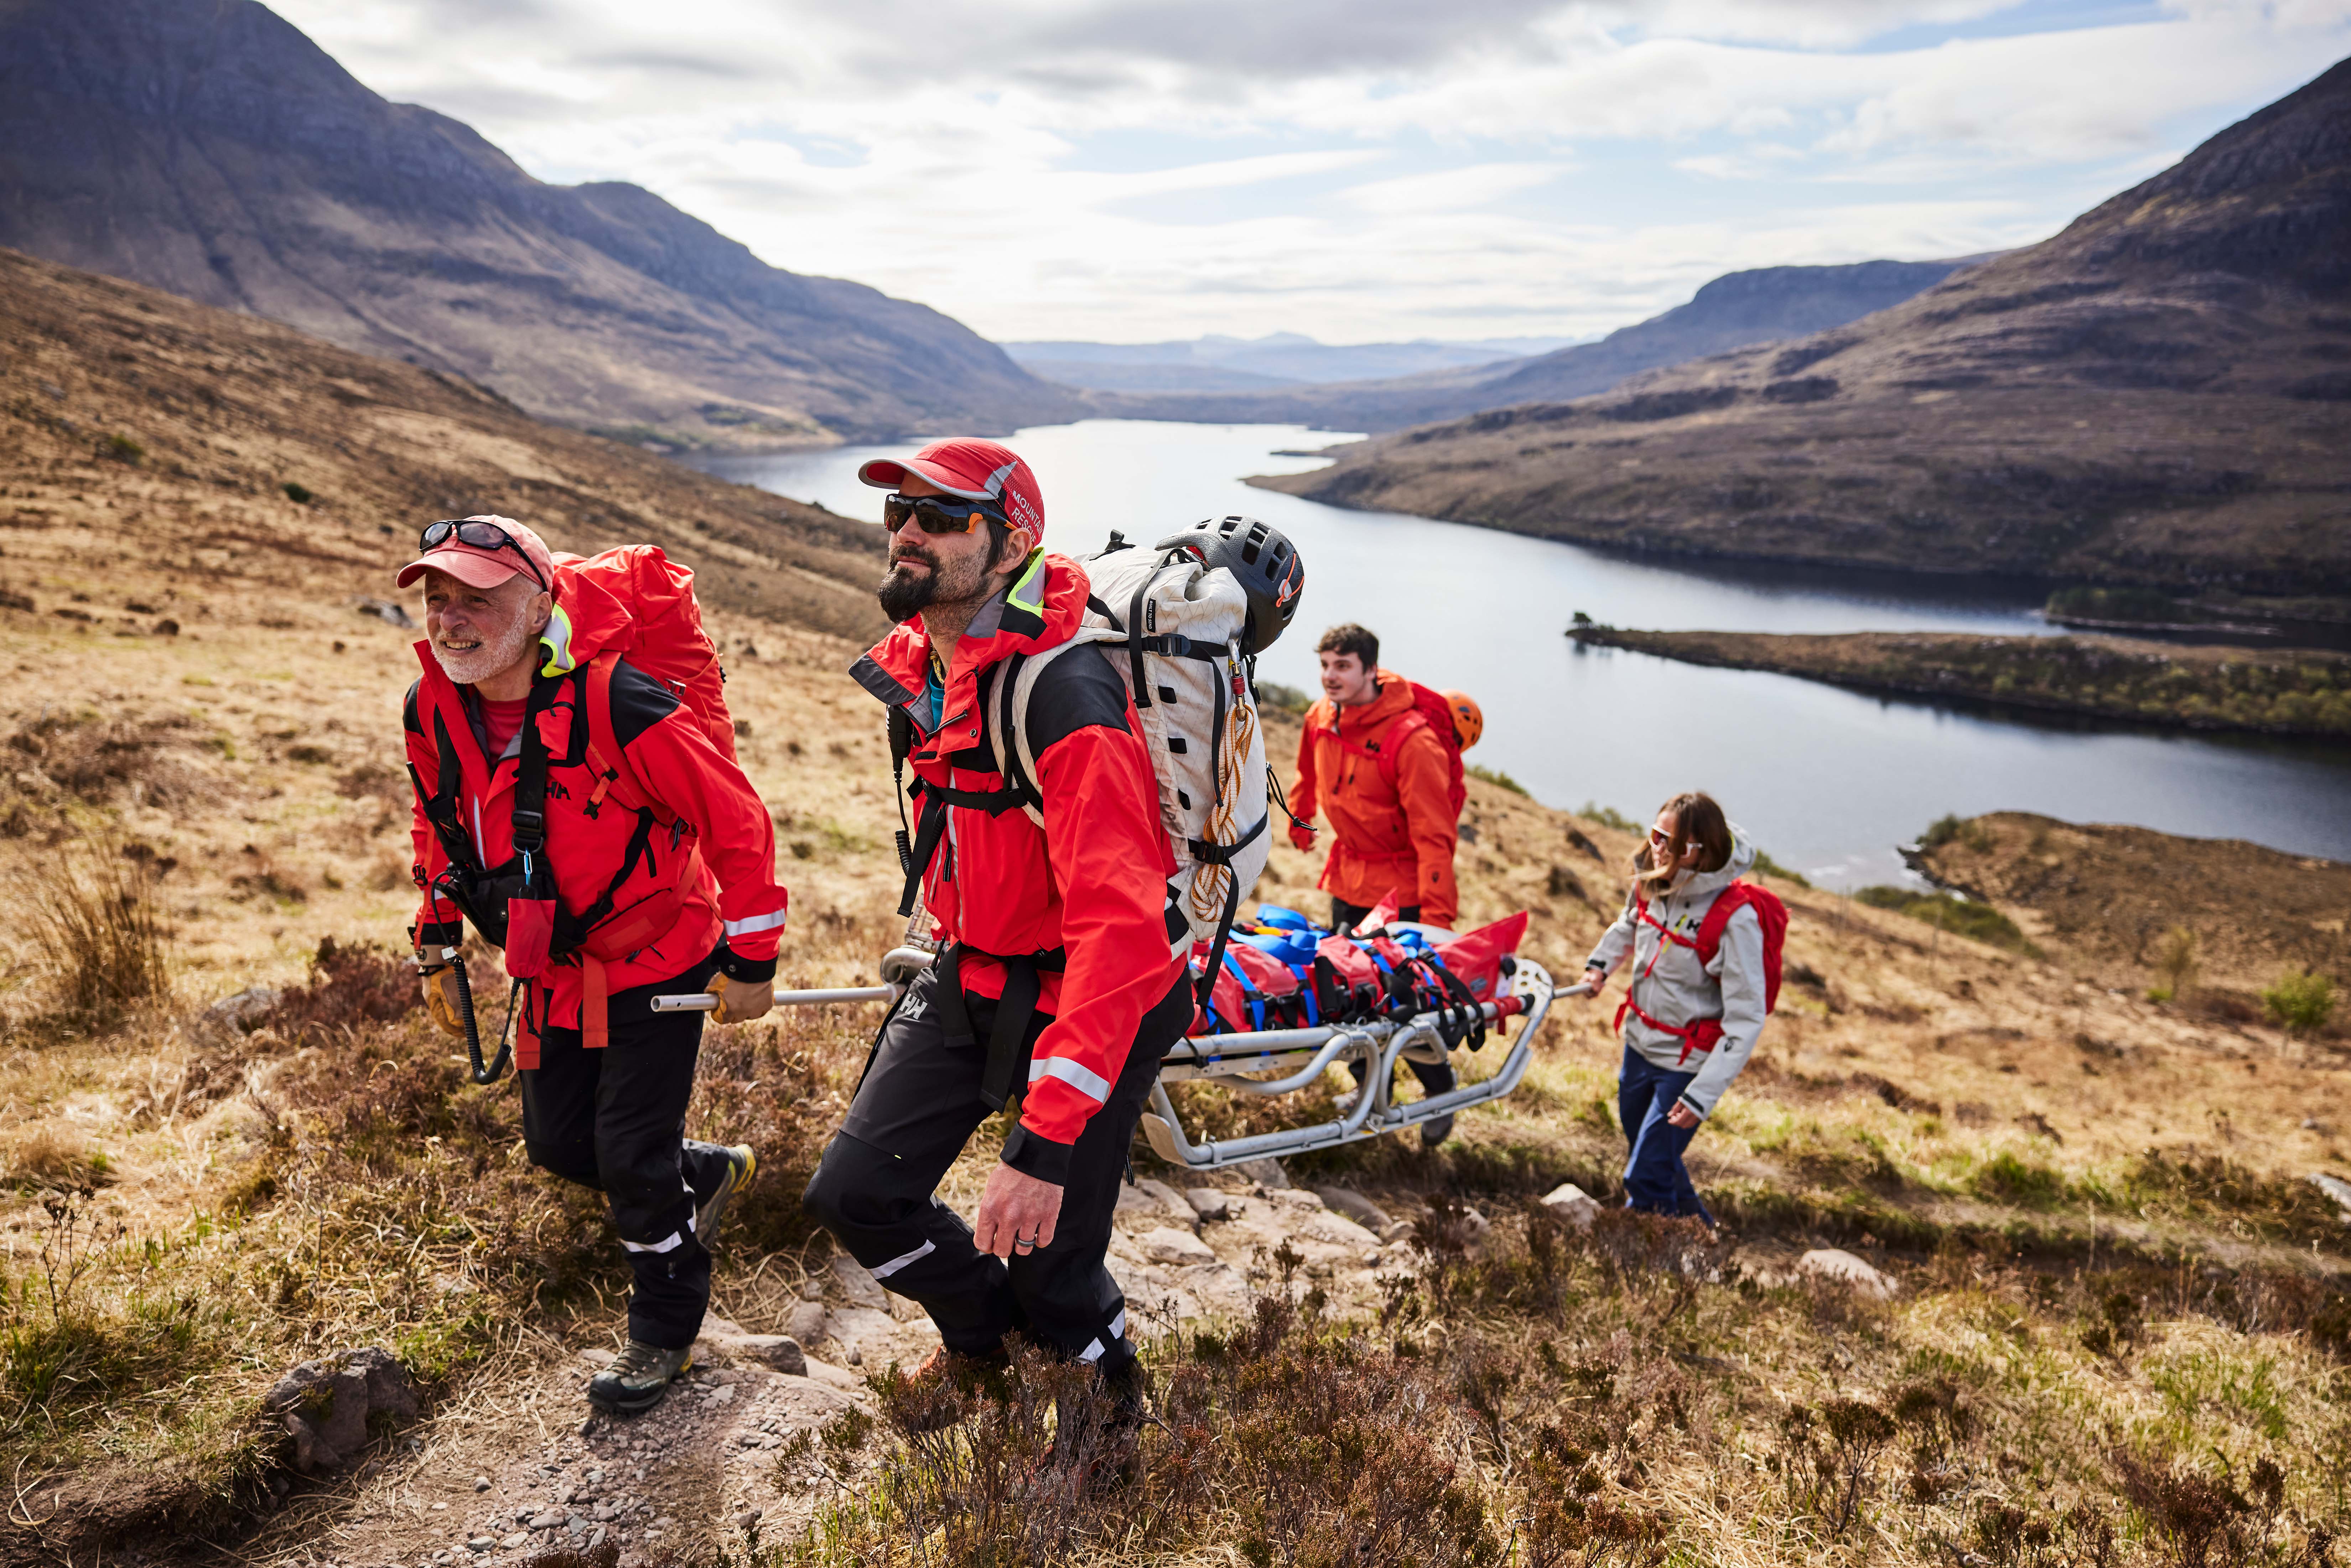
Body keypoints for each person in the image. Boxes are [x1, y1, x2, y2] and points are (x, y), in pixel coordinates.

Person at [802, 439, 1190, 1411]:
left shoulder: (1066, 697)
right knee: (855, 1196)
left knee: (1053, 1257)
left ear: (1011, 539)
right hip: (972, 968)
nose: (908, 534)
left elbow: (1122, 930)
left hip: (1101, 994)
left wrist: (1045, 1142)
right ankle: (988, 1345)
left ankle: (1108, 1435)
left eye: (941, 517)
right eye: (900, 515)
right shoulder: (923, 673)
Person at [399, 516, 788, 1413]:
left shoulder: (619, 701)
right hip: (551, 965)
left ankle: (664, 1331)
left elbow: (736, 819)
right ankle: (705, 1173)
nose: (452, 619)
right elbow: (438, 826)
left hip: (660, 957)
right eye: (438, 598)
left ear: (539, 605)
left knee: (628, 1154)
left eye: (478, 598)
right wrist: (436, 939)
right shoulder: (430, 707)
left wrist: (754, 955)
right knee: (559, 1144)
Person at [1285, 622, 1463, 1143]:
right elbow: (1306, 769)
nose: (1330, 677)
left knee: (1404, 1003)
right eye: (1325, 665)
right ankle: (1368, 1092)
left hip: (1401, 894)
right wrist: (1302, 814)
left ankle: (1440, 1089)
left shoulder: (1413, 741)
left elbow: (1436, 837)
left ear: (1370, 669)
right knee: (1346, 995)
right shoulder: (1321, 715)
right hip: (1348, 878)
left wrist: (1436, 920)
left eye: (1342, 666)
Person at [1578, 791, 1769, 1225]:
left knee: (1645, 1175)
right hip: (1638, 1046)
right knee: (1655, 1158)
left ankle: (1641, 1261)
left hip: (1687, 1065)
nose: (1655, 847)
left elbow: (1746, 1019)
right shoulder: (1653, 878)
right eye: (1655, 833)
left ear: (1697, 851)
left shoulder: (1735, 920)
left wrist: (1701, 1095)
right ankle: (1703, 1238)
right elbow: (1631, 922)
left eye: (1667, 840)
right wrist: (1599, 967)